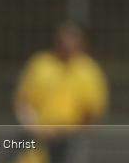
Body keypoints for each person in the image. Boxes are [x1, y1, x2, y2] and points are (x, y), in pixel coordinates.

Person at [13, 22, 108, 163]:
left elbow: (93, 112)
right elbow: (22, 102)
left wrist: (69, 132)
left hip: (70, 140)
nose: (67, 45)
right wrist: (35, 128)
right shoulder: (40, 64)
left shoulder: (88, 71)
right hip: (37, 136)